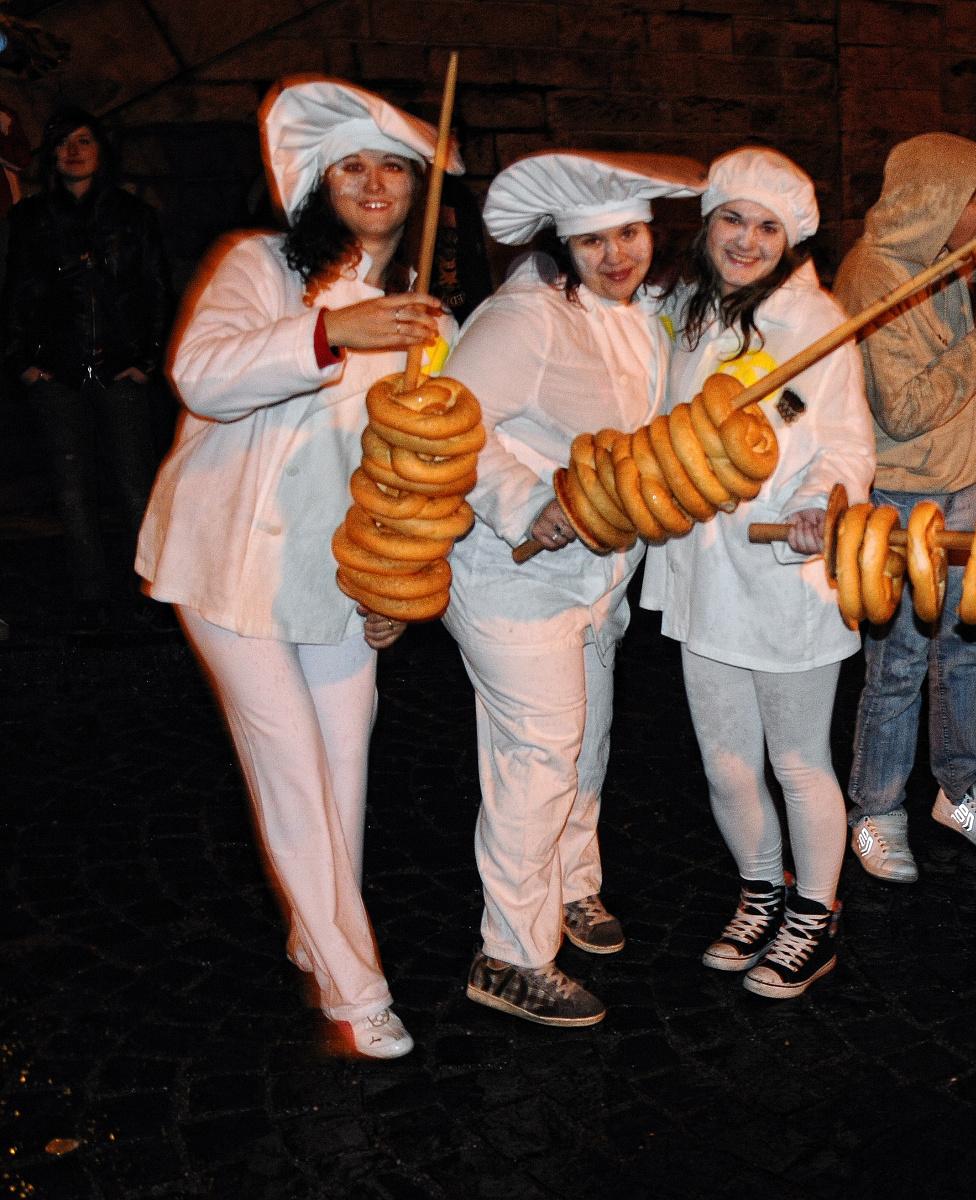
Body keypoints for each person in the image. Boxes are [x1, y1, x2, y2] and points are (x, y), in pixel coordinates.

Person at [135, 77, 461, 1059]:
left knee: (343, 771)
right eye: (352, 166)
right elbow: (201, 373)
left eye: (392, 167)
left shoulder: (427, 324)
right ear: (322, 183)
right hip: (227, 562)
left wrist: (398, 584)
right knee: (289, 771)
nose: (374, 183)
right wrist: (327, 332)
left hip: (338, 580)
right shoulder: (259, 265)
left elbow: (419, 478)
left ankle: (315, 938)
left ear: (414, 190)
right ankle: (359, 994)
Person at [443, 151, 705, 1027]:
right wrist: (523, 504)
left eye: (630, 233)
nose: (618, 255)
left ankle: (573, 885)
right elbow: (448, 424)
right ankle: (508, 954)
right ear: (564, 242)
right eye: (594, 240)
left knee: (584, 742)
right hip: (510, 577)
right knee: (541, 752)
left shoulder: (638, 318)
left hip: (597, 579)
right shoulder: (522, 318)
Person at [640, 147, 874, 999]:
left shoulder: (819, 325)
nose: (747, 239)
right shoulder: (683, 314)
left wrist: (823, 499)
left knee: (800, 760)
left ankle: (815, 913)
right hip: (703, 574)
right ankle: (760, 889)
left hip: (784, 572)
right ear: (707, 226)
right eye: (733, 220)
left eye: (767, 226)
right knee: (726, 763)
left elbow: (846, 440)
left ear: (792, 238)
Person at [833, 132, 976, 882]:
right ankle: (876, 809)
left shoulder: (950, 256)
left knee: (963, 648)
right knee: (897, 661)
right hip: (901, 493)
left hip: (959, 488)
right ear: (940, 201)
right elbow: (907, 407)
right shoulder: (872, 275)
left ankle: (959, 787)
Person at [4, 107, 171, 615]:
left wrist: (147, 359)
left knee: (134, 483)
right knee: (71, 486)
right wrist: (25, 364)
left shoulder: (133, 216)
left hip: (121, 368)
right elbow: (14, 293)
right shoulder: (30, 219)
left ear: (101, 150)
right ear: (52, 154)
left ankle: (152, 589)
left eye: (84, 141)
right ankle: (91, 595)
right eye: (64, 142)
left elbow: (157, 291)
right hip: (56, 370)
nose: (74, 152)